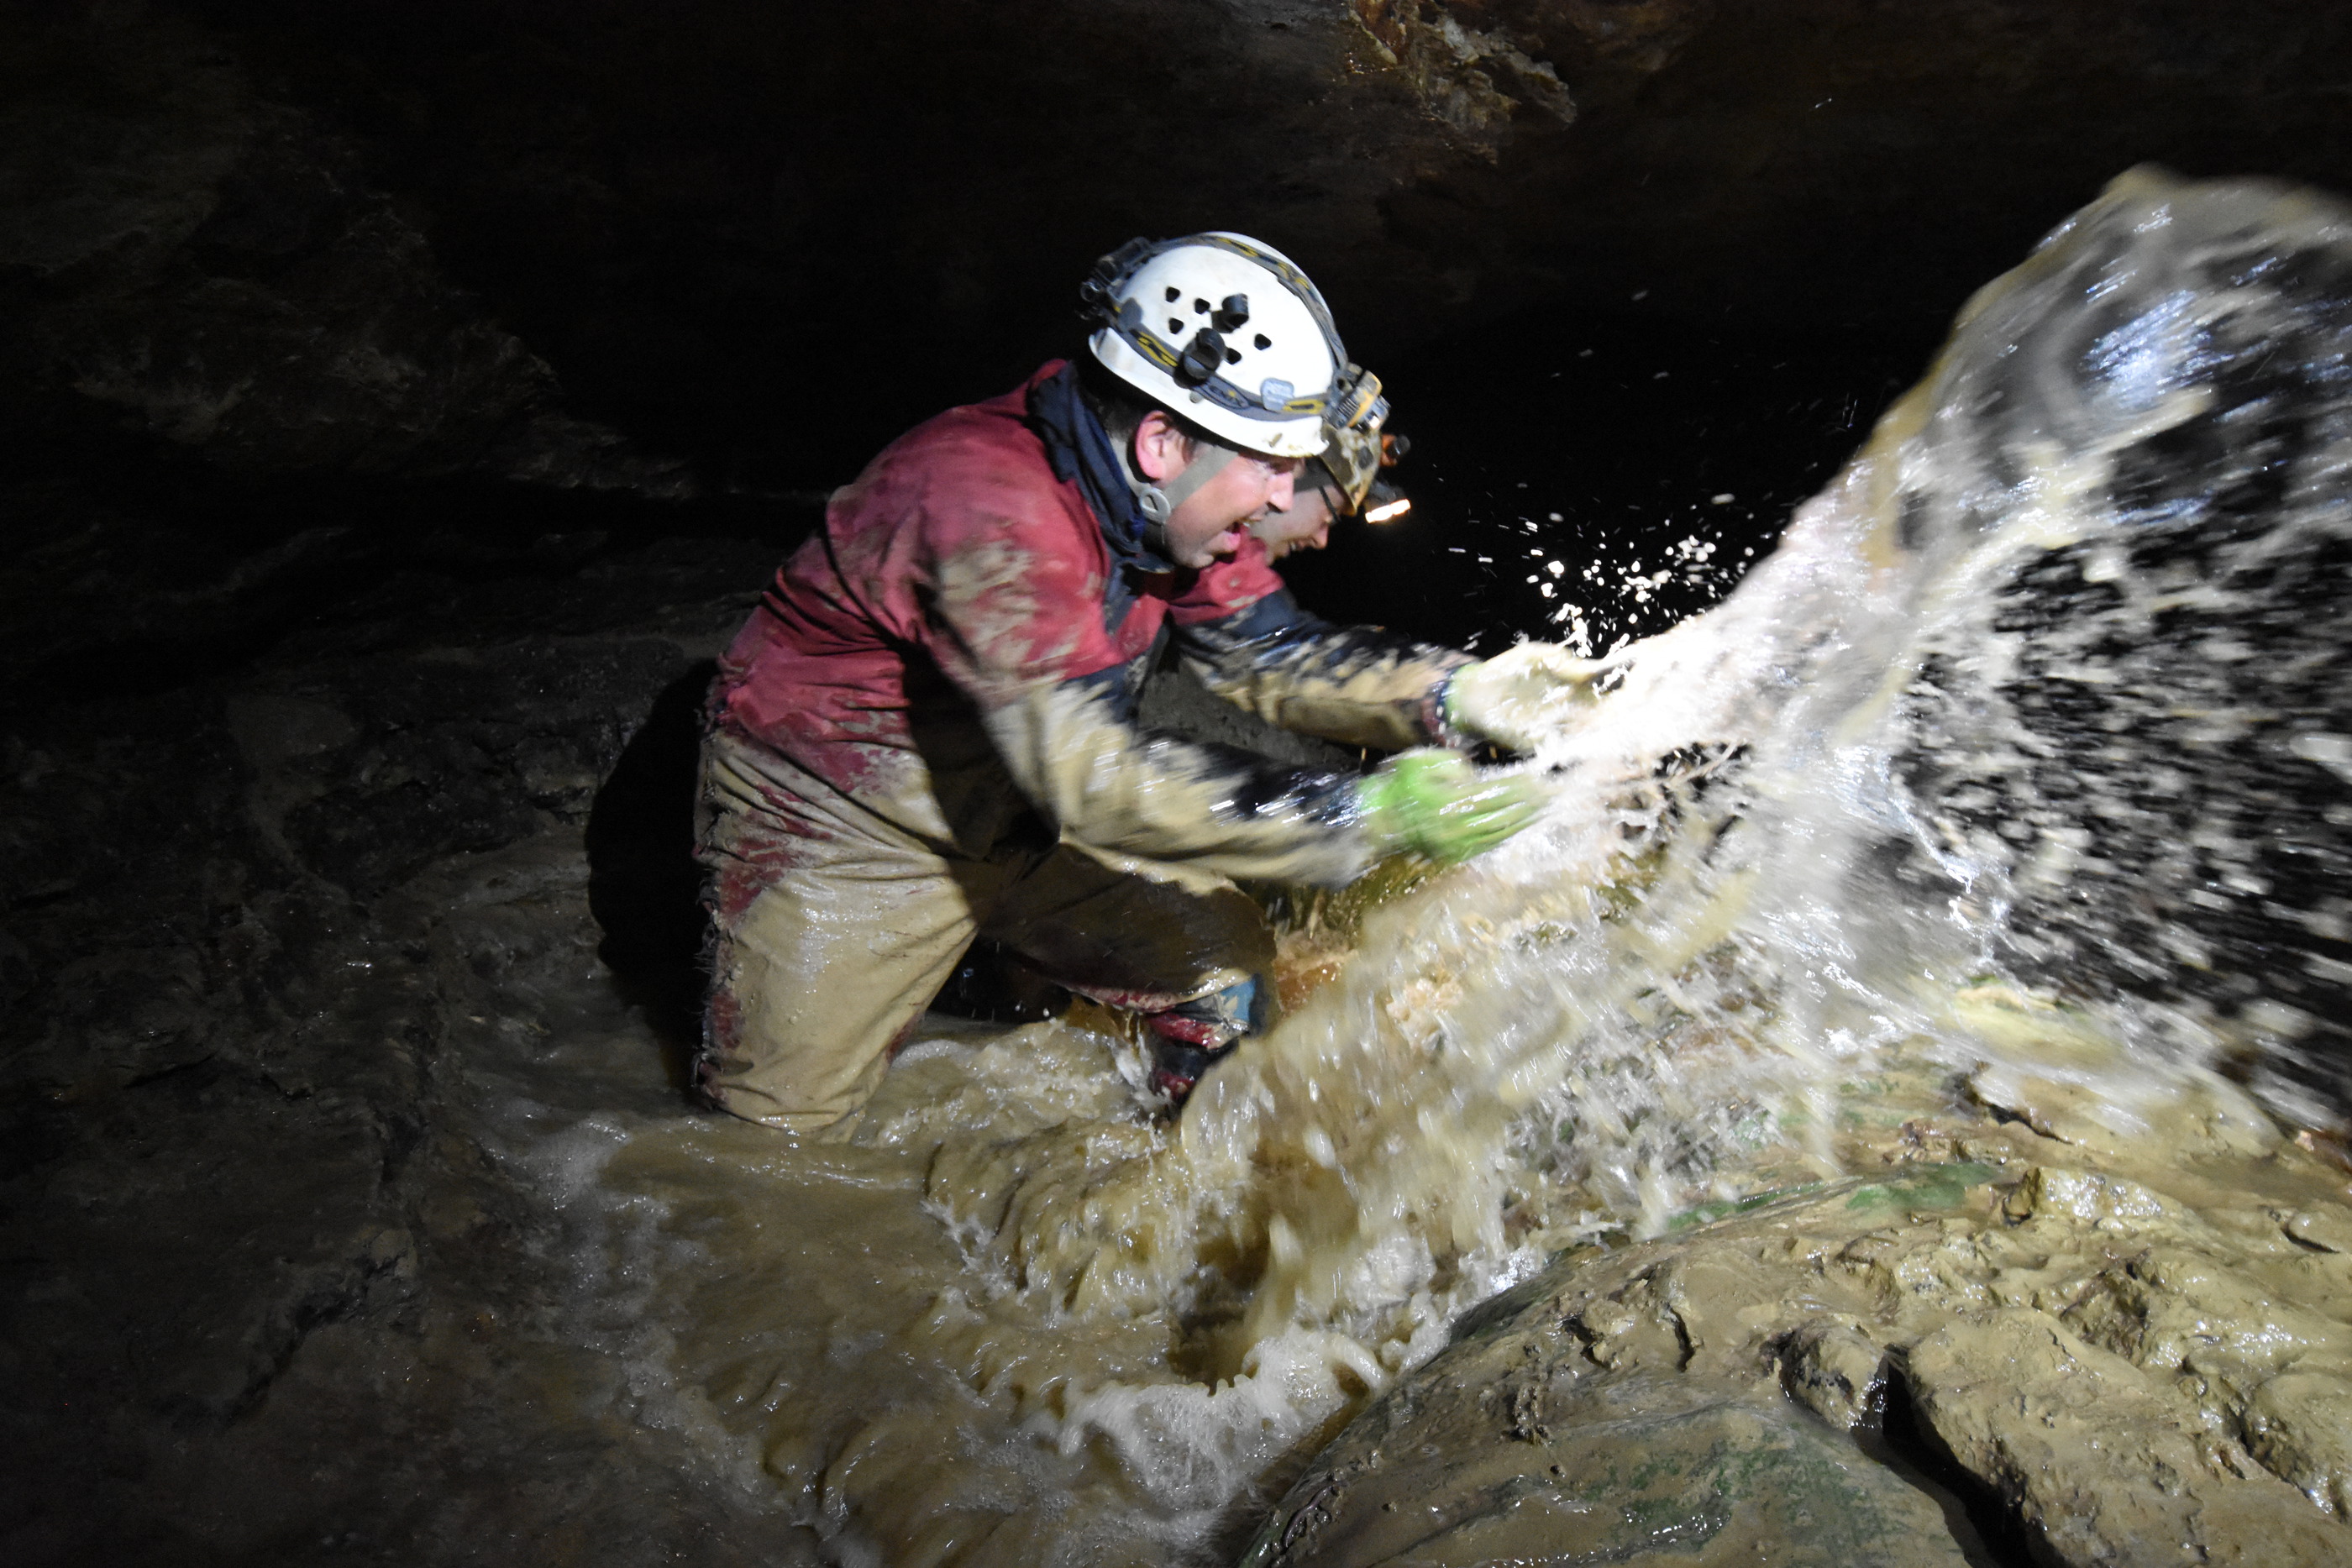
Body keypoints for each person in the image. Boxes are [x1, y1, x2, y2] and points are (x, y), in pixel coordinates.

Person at [695, 232, 1599, 1132]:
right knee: (777, 1147)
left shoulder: (1160, 507)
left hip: (1013, 817)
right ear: (1164, 441)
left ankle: (1153, 1180)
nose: (1279, 498)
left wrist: (1455, 692)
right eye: (1271, 465)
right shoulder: (990, 503)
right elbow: (1092, 774)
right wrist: (1362, 814)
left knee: (1222, 966)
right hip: (845, 822)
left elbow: (1269, 653)